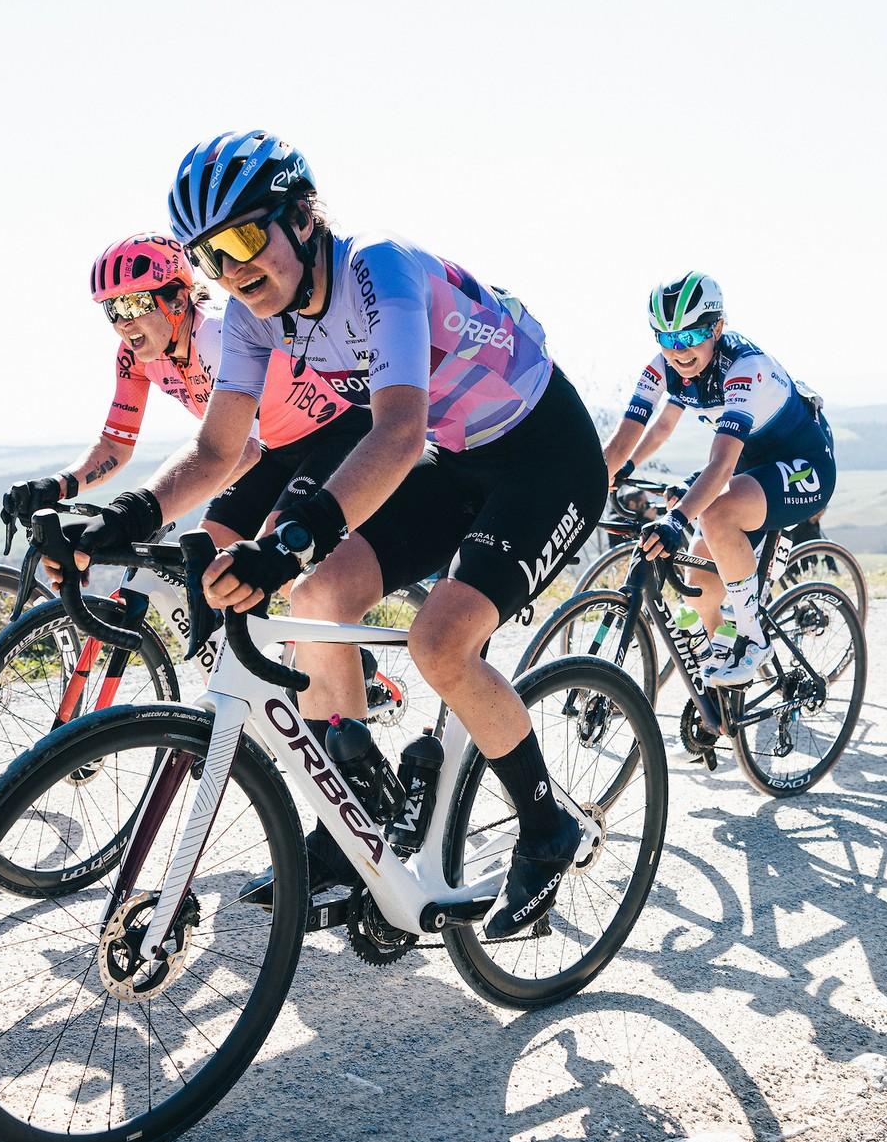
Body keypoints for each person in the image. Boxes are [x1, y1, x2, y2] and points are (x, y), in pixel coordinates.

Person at [60, 130, 606, 938]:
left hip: (545, 457)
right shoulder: (252, 318)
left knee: (440, 642)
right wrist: (130, 514)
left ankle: (546, 827)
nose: (232, 271)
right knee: (319, 597)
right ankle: (350, 821)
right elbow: (216, 452)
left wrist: (293, 536)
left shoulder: (377, 267)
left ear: (301, 218)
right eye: (209, 257)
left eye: (243, 240)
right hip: (459, 459)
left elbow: (396, 432)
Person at [3, 233, 369, 551]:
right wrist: (58, 485)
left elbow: (240, 451)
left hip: (335, 432)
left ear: (178, 301)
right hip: (270, 449)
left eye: (133, 304)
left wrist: (154, 510)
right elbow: (115, 446)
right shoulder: (134, 357)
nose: (123, 322)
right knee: (213, 562)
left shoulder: (214, 333)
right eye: (112, 309)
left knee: (277, 551)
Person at [599, 271, 836, 684]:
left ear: (718, 327)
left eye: (691, 336)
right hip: (751, 466)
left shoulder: (744, 367)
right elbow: (621, 444)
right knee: (701, 591)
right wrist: (588, 489)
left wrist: (677, 521)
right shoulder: (661, 368)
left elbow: (722, 464)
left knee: (715, 513)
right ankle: (723, 698)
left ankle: (752, 638)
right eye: (668, 338)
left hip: (803, 463)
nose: (680, 351)